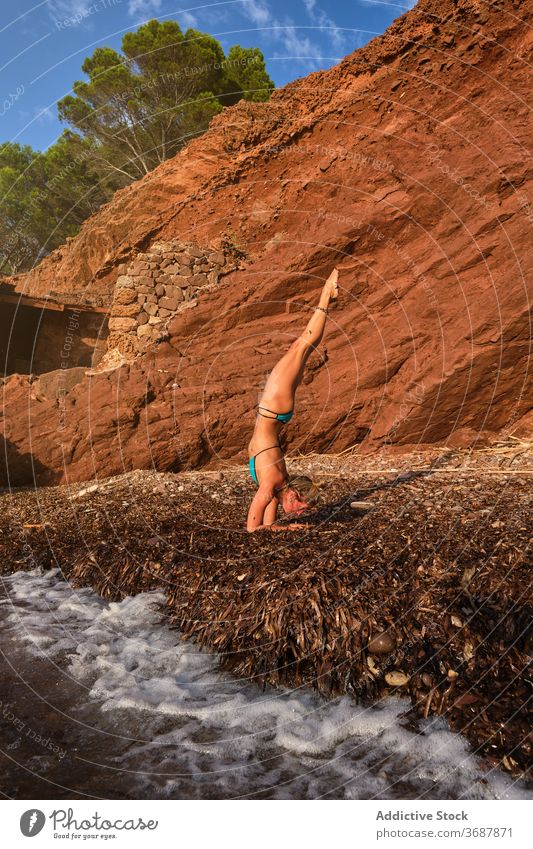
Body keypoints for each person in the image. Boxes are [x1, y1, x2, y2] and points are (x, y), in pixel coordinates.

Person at [246, 267, 339, 532]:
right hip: (273, 408)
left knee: (302, 350)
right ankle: (325, 294)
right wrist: (285, 529)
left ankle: (326, 296)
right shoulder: (274, 480)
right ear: (293, 495)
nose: (297, 514)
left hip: (276, 413)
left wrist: (283, 529)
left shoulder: (275, 488)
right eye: (300, 508)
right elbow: (252, 529)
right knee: (301, 347)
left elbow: (263, 527)